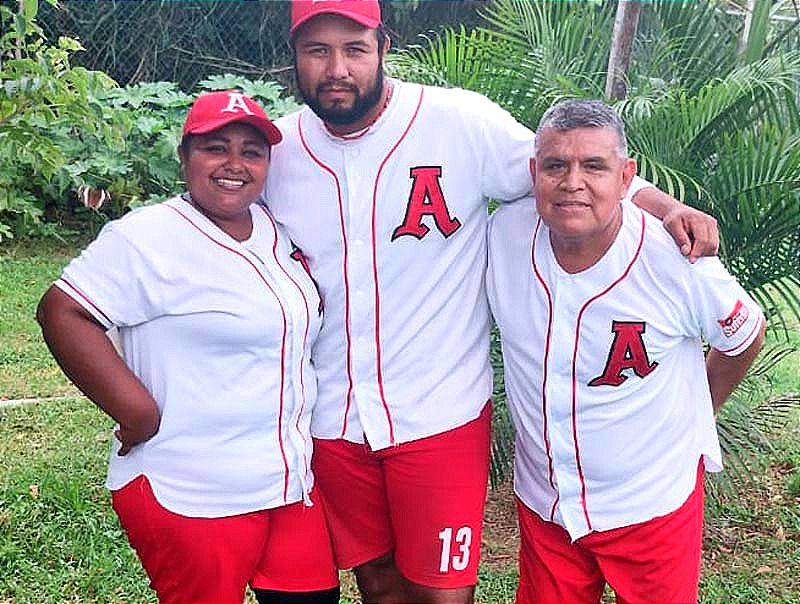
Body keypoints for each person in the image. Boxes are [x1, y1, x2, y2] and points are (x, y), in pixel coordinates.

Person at [264, 2, 720, 602]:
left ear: (383, 45)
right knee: (377, 582)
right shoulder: (280, 153)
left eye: (353, 48)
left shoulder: (458, 122)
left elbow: (569, 169)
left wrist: (666, 208)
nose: (337, 68)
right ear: (294, 57)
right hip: (333, 414)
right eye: (317, 51)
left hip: (439, 411)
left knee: (444, 594)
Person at [36, 90, 339, 604]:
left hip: (286, 482)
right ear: (184, 156)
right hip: (191, 487)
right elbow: (62, 311)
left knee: (312, 596)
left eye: (252, 151)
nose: (235, 165)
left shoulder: (275, 230)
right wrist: (137, 414)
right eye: (216, 148)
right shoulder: (146, 237)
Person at [487, 99, 766, 604]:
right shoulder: (503, 235)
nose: (573, 181)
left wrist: (699, 407)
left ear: (625, 177)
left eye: (594, 166)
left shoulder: (678, 260)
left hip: (650, 501)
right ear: (534, 173)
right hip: (547, 502)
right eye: (556, 165)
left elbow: (744, 335)